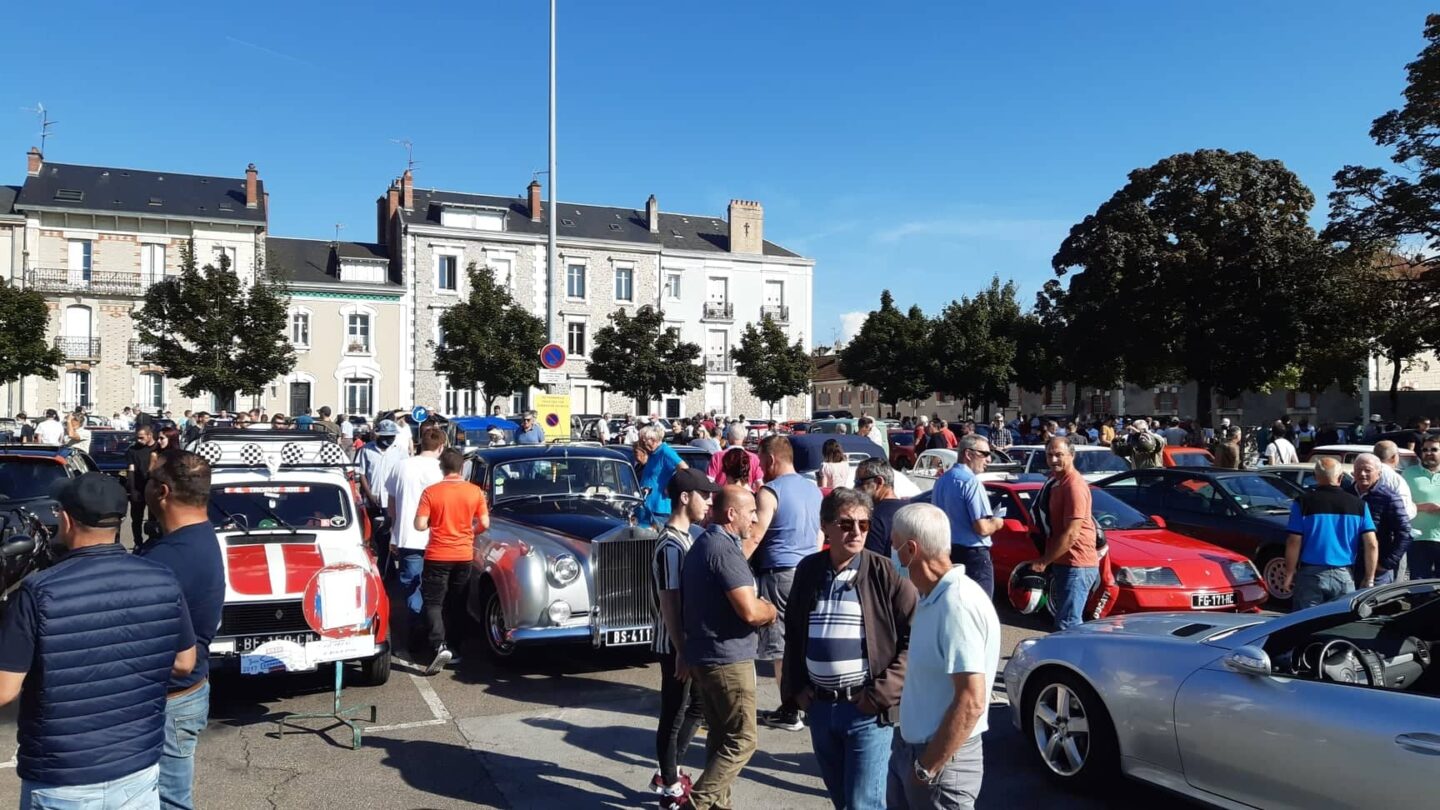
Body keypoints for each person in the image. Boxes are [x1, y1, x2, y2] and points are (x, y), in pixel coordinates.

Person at [0, 472, 197, 807]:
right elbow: (184, 662)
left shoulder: (39, 592)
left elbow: (4, 689)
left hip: (62, 777)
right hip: (138, 767)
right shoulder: (162, 580)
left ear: (65, 519)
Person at [783, 488, 917, 810]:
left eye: (864, 524)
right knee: (843, 801)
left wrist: (879, 695)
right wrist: (796, 691)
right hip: (820, 709)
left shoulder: (886, 574)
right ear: (825, 526)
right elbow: (794, 633)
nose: (856, 532)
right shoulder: (809, 570)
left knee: (863, 804)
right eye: (846, 523)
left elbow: (917, 641)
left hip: (866, 713)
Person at [887, 502, 1000, 810]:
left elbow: (971, 701)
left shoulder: (957, 605)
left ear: (911, 550)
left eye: (894, 547)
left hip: (940, 763)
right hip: (912, 751)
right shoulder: (931, 596)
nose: (892, 556)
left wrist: (926, 768)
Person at [681, 485, 777, 810]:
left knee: (721, 737)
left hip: (709, 656)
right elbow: (749, 610)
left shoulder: (706, 544)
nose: (755, 518)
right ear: (731, 514)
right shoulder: (722, 549)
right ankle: (696, 803)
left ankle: (718, 806)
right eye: (750, 511)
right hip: (726, 659)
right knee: (743, 739)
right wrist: (771, 610)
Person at [139, 452, 225, 809]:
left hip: (169, 698)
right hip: (184, 694)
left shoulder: (166, 561)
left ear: (161, 491)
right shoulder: (198, 538)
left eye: (147, 481)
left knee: (169, 800)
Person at [648, 469, 719, 808]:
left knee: (696, 707)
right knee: (674, 714)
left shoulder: (688, 536)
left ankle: (670, 769)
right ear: (685, 498)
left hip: (686, 643)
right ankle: (670, 786)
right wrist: (681, 650)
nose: (709, 501)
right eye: (704, 495)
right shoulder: (671, 545)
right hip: (674, 645)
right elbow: (670, 602)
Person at [751, 435, 823, 732]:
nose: (761, 469)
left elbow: (756, 534)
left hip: (779, 572)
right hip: (809, 569)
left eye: (761, 462)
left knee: (780, 646)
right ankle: (805, 704)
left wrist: (730, 561)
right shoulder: (813, 490)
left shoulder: (770, 492)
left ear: (771, 460)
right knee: (802, 641)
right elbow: (820, 534)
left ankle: (790, 709)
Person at [413, 448, 490, 674]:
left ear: (442, 468)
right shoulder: (474, 492)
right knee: (458, 601)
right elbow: (485, 522)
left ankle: (438, 644)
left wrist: (432, 524)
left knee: (434, 601)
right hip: (464, 553)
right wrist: (469, 532)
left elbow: (419, 524)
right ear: (461, 468)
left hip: (437, 553)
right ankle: (456, 647)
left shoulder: (431, 492)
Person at [1022, 437, 1100, 631]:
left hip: (1077, 564)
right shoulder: (1056, 482)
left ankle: (1072, 660)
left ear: (1071, 456)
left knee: (1068, 625)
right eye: (1050, 455)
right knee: (1065, 622)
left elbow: (1072, 533)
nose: (1054, 460)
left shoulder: (1074, 486)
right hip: (1064, 563)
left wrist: (1044, 562)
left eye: (1059, 455)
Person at [1284, 457, 1379, 609]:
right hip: (1344, 575)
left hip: (1310, 574)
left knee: (1304, 624)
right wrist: (1369, 578)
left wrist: (1289, 573)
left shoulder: (1302, 503)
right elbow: (1372, 544)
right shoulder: (1359, 505)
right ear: (1341, 478)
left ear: (1315, 477)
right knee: (1340, 625)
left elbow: (1293, 541)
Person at [931, 434, 1003, 597]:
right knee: (980, 610)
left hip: (948, 552)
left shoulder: (942, 480)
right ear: (968, 454)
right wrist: (998, 522)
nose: (989, 460)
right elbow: (982, 528)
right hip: (973, 556)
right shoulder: (971, 482)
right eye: (985, 454)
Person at [388, 426, 446, 627]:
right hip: (437, 538)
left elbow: (392, 503)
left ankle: (416, 629)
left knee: (412, 585)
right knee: (435, 586)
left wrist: (394, 533)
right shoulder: (441, 470)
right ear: (441, 447)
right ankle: (432, 630)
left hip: (408, 536)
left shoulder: (402, 466)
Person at [1352, 454, 1411, 587]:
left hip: (1378, 569)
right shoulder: (1347, 495)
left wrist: (1387, 563)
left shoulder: (1389, 498)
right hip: (1349, 566)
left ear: (1379, 473)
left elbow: (1405, 531)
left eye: (1367, 470)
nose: (1362, 474)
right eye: (1358, 470)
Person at [855, 458, 907, 558]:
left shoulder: (874, 519)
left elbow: (871, 565)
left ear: (879, 482)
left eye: (859, 482)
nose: (855, 488)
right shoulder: (909, 511)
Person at [638, 425, 690, 526]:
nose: (642, 445)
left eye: (644, 442)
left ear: (653, 440)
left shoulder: (665, 451)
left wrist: (671, 486)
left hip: (659, 509)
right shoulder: (653, 453)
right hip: (647, 507)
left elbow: (684, 469)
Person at [1404, 436, 1440, 579]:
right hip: (1417, 538)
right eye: (1425, 449)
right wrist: (1421, 507)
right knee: (1418, 587)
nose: (1428, 452)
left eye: (1434, 450)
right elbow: (1400, 504)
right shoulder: (1409, 473)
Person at [126, 425, 157, 549]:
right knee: (136, 518)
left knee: (153, 517)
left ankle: (153, 540)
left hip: (154, 487)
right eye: (137, 438)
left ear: (149, 436)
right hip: (138, 487)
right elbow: (131, 470)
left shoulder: (157, 448)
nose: (139, 440)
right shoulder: (132, 450)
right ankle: (138, 542)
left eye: (141, 438)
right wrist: (132, 489)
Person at [1372, 440, 1419, 519]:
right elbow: (1405, 512)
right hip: (1388, 526)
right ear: (1394, 457)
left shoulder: (1364, 474)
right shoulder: (1396, 479)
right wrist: (1413, 507)